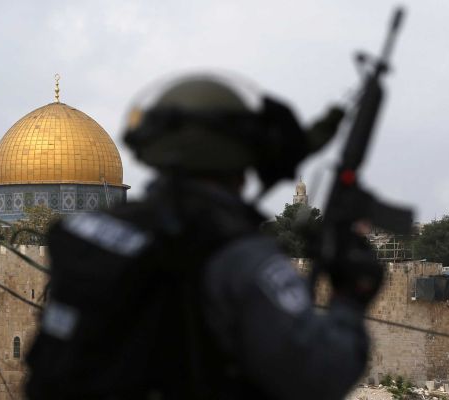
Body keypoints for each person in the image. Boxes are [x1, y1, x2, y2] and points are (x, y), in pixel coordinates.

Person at [25, 73, 383, 400]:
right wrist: (350, 298)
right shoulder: (236, 257)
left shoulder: (85, 230)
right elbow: (320, 376)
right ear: (242, 156)